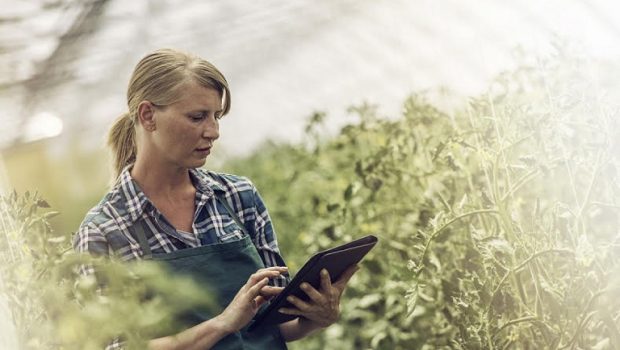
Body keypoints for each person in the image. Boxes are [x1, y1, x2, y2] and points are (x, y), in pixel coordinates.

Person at [73, 48, 359, 350]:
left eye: (216, 116)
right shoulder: (104, 232)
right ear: (148, 116)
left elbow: (273, 323)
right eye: (197, 117)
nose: (213, 131)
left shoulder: (238, 197)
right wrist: (223, 323)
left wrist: (316, 317)